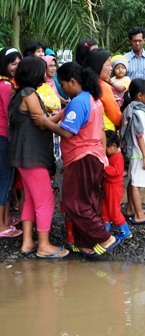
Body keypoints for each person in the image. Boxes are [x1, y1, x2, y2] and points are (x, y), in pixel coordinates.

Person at [31, 61, 121, 257]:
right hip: (93, 156)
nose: (62, 89)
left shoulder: (79, 101)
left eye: (62, 85)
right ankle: (84, 243)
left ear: (72, 81)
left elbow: (67, 132)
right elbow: (63, 115)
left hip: (82, 158)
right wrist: (47, 122)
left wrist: (46, 121)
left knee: (74, 203)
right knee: (86, 202)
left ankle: (104, 237)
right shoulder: (89, 98)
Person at [9, 56, 68, 258]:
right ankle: (44, 246)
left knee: (30, 200)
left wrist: (59, 114)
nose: (45, 74)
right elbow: (42, 122)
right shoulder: (29, 93)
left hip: (23, 156)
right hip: (32, 156)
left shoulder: (17, 93)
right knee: (45, 199)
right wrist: (63, 114)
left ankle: (27, 242)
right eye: (42, 70)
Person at [121, 79, 145, 225]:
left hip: (135, 153)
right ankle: (138, 215)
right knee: (137, 183)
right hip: (139, 153)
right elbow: (140, 135)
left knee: (133, 180)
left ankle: (132, 209)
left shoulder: (132, 109)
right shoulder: (138, 113)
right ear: (139, 95)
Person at [0, 47, 23, 238]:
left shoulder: (7, 83)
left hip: (5, 135)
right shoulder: (5, 86)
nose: (16, 66)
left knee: (6, 180)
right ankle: (1, 225)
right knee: (5, 180)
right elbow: (11, 113)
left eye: (18, 62)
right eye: (12, 63)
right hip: (3, 136)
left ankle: (6, 219)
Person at [125, 27, 145, 155]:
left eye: (139, 40)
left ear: (144, 40)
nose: (137, 43)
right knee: (131, 132)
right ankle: (131, 161)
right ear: (130, 42)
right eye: (134, 41)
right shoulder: (125, 59)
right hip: (131, 104)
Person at [102, 131, 133, 239]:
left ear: (114, 146)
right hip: (109, 186)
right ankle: (105, 232)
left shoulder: (118, 157)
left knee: (114, 211)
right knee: (105, 209)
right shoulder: (113, 155)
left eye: (104, 147)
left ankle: (126, 231)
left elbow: (116, 171)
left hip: (114, 187)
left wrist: (105, 167)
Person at [83, 48, 122, 131]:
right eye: (109, 65)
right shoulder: (103, 86)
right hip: (105, 133)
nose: (111, 68)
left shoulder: (82, 83)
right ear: (98, 66)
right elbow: (115, 116)